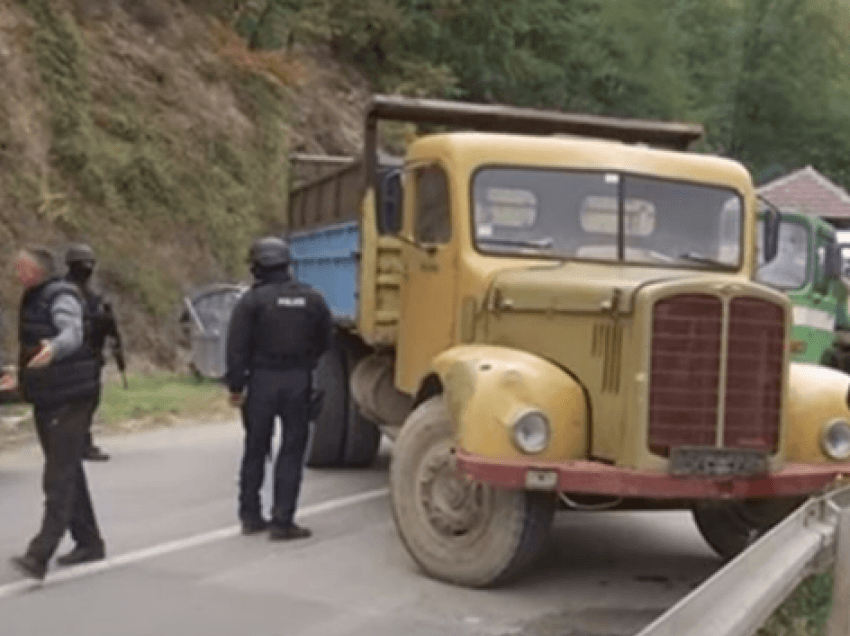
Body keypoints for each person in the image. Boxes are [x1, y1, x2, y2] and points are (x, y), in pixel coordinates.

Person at [225, 236, 332, 540]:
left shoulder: (252, 301)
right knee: (291, 451)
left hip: (261, 382)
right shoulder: (311, 298)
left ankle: (250, 516)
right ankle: (283, 521)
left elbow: (236, 349)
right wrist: (306, 362)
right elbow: (326, 339)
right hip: (298, 380)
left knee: (256, 448)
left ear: (257, 266)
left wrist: (236, 386)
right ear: (287, 263)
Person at [10, 247, 105, 580]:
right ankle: (90, 542)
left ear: (38, 271)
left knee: (58, 475)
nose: (16, 274)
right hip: (50, 394)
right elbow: (33, 345)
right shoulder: (35, 296)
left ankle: (40, 554)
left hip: (72, 396)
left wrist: (55, 347)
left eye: (22, 268)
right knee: (68, 469)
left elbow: (72, 333)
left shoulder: (60, 297)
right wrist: (18, 374)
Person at [65, 243, 126, 462]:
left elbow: (104, 326)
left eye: (90, 263)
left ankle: (81, 442)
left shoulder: (90, 294)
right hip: (71, 358)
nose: (87, 268)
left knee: (88, 402)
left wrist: (108, 325)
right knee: (77, 403)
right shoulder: (64, 292)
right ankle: (78, 443)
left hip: (90, 357)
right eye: (83, 264)